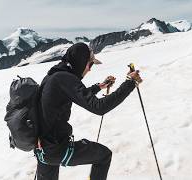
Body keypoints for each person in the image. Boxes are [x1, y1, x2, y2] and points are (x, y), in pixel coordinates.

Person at [35, 43, 142, 180]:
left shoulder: (54, 75)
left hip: (42, 149)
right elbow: (99, 107)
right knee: (103, 156)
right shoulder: (65, 78)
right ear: (81, 62)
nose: (90, 69)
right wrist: (130, 83)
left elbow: (75, 93)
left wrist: (99, 87)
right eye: (90, 64)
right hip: (56, 148)